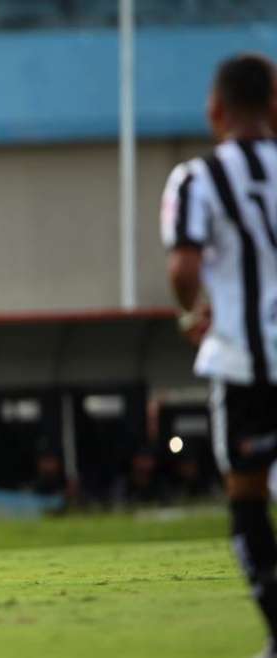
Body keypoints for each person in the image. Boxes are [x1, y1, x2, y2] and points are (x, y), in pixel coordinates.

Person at [159, 53, 277, 658]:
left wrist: (193, 313)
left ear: (215, 110)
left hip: (242, 363)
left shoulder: (198, 178)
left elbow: (184, 268)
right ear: (276, 105)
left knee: (247, 494)